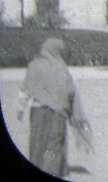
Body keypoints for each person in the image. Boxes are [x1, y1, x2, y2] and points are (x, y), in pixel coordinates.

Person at [18, 38, 94, 177]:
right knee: (54, 144)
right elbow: (70, 91)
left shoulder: (34, 65)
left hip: (37, 112)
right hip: (57, 114)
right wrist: (73, 111)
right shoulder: (61, 67)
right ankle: (52, 171)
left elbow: (26, 89)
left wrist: (21, 108)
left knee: (37, 142)